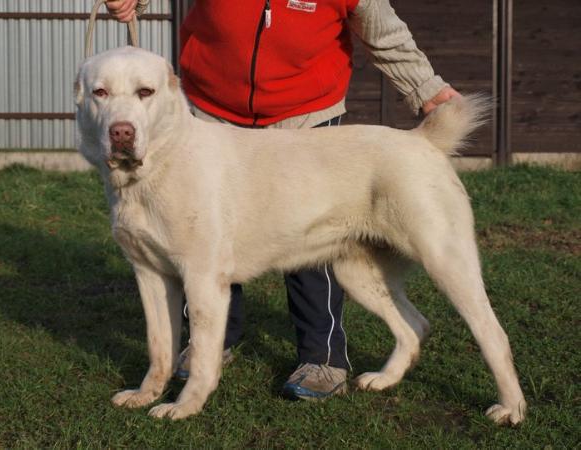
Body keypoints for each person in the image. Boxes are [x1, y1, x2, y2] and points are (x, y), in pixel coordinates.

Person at [106, 0, 460, 400]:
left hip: (305, 116)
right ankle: (211, 346)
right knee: (198, 240)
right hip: (214, 112)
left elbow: (384, 31)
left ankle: (322, 358)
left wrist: (426, 88)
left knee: (315, 237)